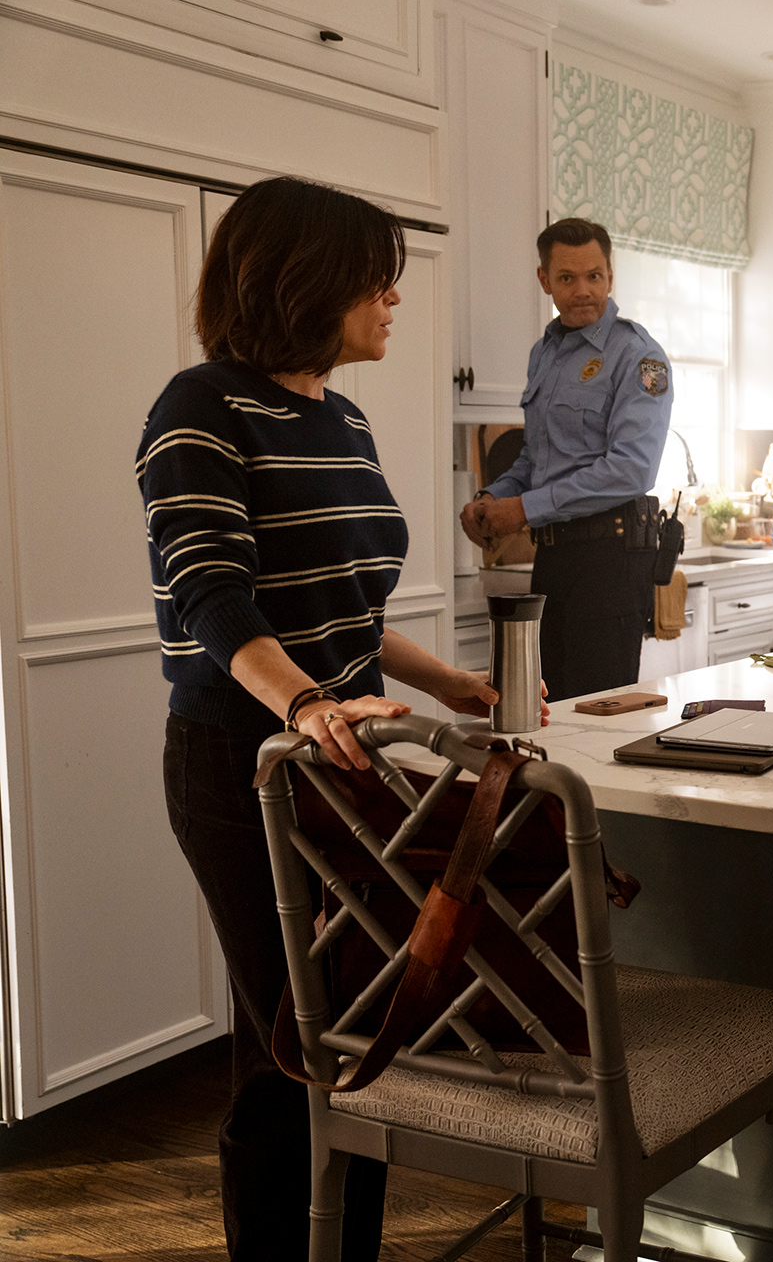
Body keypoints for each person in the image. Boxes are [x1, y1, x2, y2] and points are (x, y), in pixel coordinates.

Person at [138, 176, 522, 1260]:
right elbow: (214, 595)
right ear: (303, 282)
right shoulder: (199, 408)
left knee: (357, 1029)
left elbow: (341, 608)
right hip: (245, 758)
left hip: (343, 758)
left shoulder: (340, 418)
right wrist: (304, 702)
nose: (394, 298)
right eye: (374, 278)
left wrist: (445, 682)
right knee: (290, 1044)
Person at [459, 218, 674, 701]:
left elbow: (631, 469)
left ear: (610, 276)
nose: (583, 291)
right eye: (567, 278)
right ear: (545, 280)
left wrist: (524, 509)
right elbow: (536, 459)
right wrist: (492, 497)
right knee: (546, 706)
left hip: (611, 558)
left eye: (594, 276)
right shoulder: (544, 354)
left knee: (596, 713)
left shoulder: (640, 356)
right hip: (554, 557)